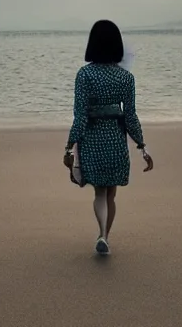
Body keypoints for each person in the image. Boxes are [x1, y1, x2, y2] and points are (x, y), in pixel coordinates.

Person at [64, 20, 154, 255]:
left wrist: (70, 145)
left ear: (92, 44)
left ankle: (102, 233)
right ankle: (104, 235)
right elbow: (130, 116)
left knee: (99, 192)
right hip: (115, 139)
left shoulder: (84, 75)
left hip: (92, 140)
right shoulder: (126, 78)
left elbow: (80, 115)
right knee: (111, 192)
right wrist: (142, 145)